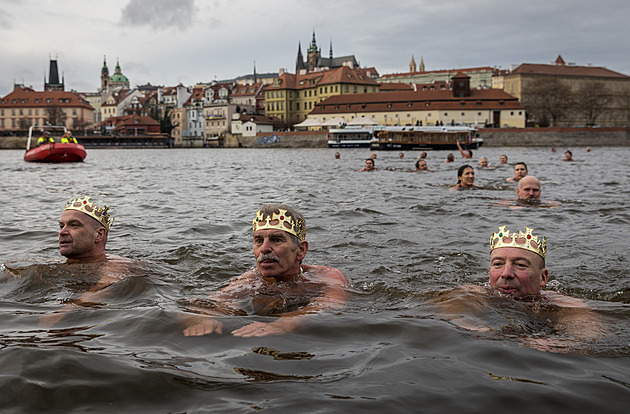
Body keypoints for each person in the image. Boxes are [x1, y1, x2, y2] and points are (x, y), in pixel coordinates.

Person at [181, 204, 350, 337]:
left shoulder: (327, 276)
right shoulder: (248, 281)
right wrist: (203, 319)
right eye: (258, 241)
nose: (264, 248)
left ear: (301, 250)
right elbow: (207, 304)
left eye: (276, 240)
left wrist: (284, 323)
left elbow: (330, 305)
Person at [435, 226, 602, 352]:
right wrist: (468, 325)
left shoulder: (561, 304)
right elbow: (445, 307)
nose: (506, 273)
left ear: (543, 278)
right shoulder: (474, 294)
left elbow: (590, 333)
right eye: (498, 264)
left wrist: (552, 344)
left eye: (521, 265)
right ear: (489, 273)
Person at [39, 195, 132, 326]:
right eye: (61, 226)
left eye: (74, 225)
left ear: (99, 234)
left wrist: (61, 313)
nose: (62, 232)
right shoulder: (57, 263)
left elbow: (104, 289)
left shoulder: (116, 265)